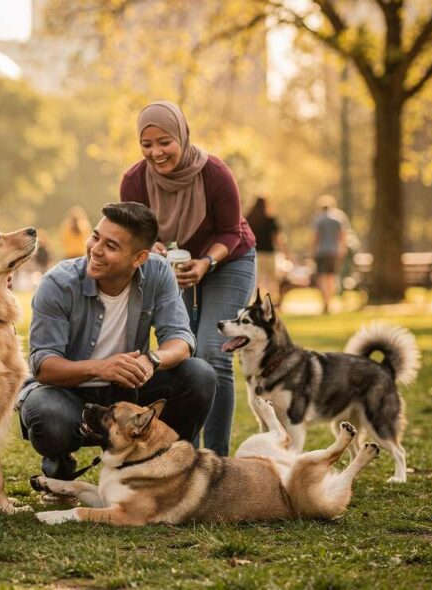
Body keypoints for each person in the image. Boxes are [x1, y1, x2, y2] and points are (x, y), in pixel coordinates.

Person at [18, 202, 216, 481]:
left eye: (111, 246)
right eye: (96, 237)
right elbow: (43, 366)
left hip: (130, 390)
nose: (95, 250)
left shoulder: (158, 273)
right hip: (68, 392)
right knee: (46, 414)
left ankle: (166, 468)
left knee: (199, 375)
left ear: (139, 258)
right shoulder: (58, 283)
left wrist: (152, 360)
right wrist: (101, 367)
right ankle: (59, 466)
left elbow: (181, 338)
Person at [120, 101, 255, 457]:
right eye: (146, 144)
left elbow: (231, 231)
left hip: (227, 260)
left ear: (181, 135)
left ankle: (219, 459)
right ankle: (186, 454)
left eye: (164, 141)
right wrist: (156, 249)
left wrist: (206, 262)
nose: (156, 152)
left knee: (213, 351)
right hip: (172, 270)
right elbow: (137, 235)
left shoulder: (214, 173)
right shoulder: (134, 181)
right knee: (182, 355)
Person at [245, 195, 286, 305]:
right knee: (271, 278)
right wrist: (284, 251)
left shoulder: (249, 219)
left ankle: (257, 300)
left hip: (254, 253)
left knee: (257, 278)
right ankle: (271, 300)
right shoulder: (270, 220)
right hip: (269, 252)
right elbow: (277, 238)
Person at [312, 194, 346, 314]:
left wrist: (312, 251)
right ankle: (329, 300)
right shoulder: (338, 218)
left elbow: (315, 237)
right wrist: (342, 250)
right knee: (331, 277)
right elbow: (342, 236)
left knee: (322, 277)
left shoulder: (318, 219)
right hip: (333, 251)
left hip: (321, 251)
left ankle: (325, 301)